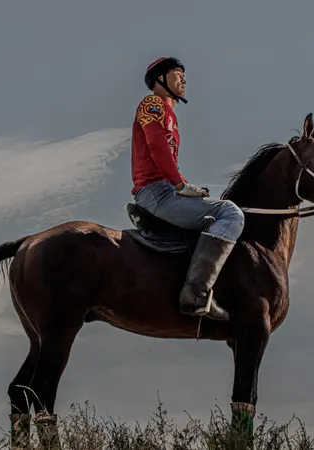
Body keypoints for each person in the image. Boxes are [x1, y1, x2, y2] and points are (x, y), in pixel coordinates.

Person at [131, 56, 245, 322]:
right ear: (160, 79)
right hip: (158, 192)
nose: (183, 79)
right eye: (177, 73)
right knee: (230, 214)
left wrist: (182, 184)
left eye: (183, 75)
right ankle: (197, 292)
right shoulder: (153, 104)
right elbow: (157, 147)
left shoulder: (167, 112)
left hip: (161, 189)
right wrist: (180, 184)